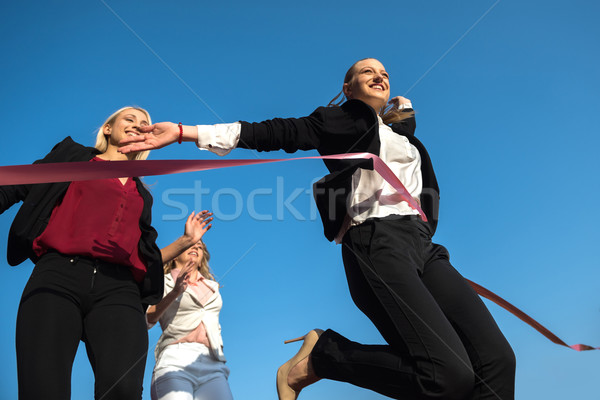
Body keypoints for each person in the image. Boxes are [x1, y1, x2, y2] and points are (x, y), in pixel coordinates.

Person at [119, 58, 516, 400]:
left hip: (424, 248)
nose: (379, 76)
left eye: (383, 72)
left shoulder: (407, 139)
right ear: (348, 88)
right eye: (366, 72)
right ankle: (323, 356)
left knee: (496, 360)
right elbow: (277, 132)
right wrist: (189, 131)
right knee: (448, 375)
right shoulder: (343, 122)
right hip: (377, 244)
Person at [0, 106, 213, 400]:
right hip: (58, 275)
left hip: (120, 290)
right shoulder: (72, 157)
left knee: (123, 390)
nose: (138, 126)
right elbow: (17, 186)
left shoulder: (142, 195)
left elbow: (145, 259)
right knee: (43, 388)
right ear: (108, 128)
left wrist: (186, 241)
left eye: (144, 124)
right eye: (130, 119)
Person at [147, 234, 232, 400]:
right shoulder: (163, 282)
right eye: (190, 244)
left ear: (201, 260)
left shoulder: (213, 287)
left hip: (212, 362)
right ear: (175, 254)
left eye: (199, 247)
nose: (195, 247)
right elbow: (147, 320)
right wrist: (175, 292)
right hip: (176, 358)